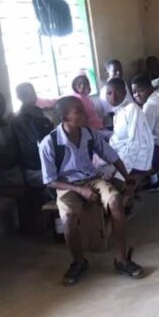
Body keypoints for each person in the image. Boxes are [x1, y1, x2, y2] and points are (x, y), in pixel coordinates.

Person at [39, 96, 144, 286]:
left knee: (115, 201)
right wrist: (79, 190)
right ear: (64, 117)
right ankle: (78, 261)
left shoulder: (88, 133)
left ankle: (121, 259)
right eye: (78, 111)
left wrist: (126, 176)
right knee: (69, 218)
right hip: (67, 185)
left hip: (92, 179)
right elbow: (50, 181)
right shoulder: (50, 143)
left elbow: (111, 155)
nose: (85, 113)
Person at [104, 77, 154, 182]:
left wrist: (122, 170)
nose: (113, 96)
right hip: (124, 155)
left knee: (113, 181)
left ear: (124, 92)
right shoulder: (118, 111)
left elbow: (135, 143)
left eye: (117, 91)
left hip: (137, 159)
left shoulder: (132, 109)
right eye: (109, 93)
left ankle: (128, 189)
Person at [12, 82, 55, 189]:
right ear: (19, 97)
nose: (32, 96)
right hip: (36, 167)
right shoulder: (19, 119)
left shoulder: (39, 112)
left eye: (32, 92)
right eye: (26, 94)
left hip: (47, 162)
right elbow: (37, 141)